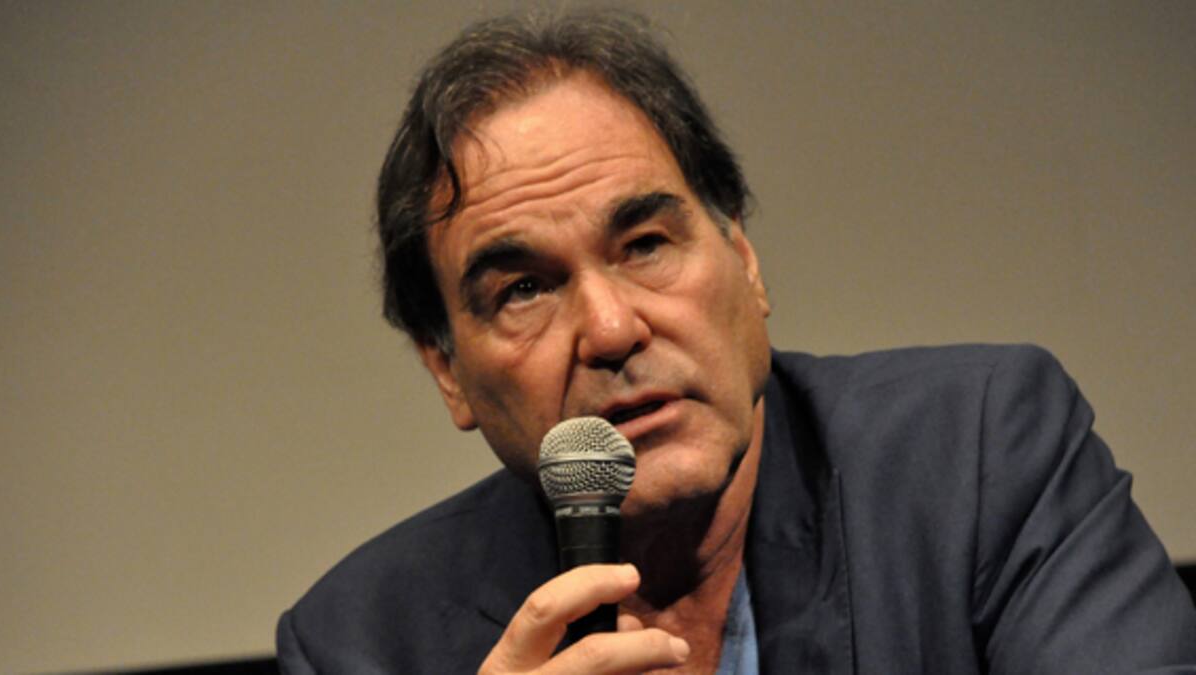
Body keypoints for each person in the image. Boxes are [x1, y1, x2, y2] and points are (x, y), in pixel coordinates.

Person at [277, 9, 1196, 674]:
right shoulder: (361, 644)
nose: (612, 330)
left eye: (645, 244)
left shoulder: (981, 459)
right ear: (448, 371)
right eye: (523, 289)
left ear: (744, 259)